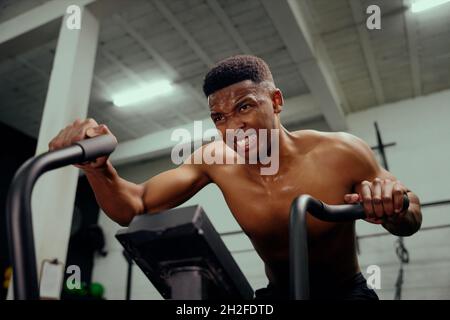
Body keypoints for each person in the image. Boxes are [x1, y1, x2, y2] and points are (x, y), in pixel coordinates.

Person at [48, 55, 422, 300]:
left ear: (275, 102)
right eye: (219, 117)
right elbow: (136, 206)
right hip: (275, 298)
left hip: (347, 294)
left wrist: (394, 204)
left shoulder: (340, 152)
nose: (232, 127)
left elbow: (411, 214)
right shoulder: (215, 159)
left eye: (244, 106)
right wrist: (100, 171)